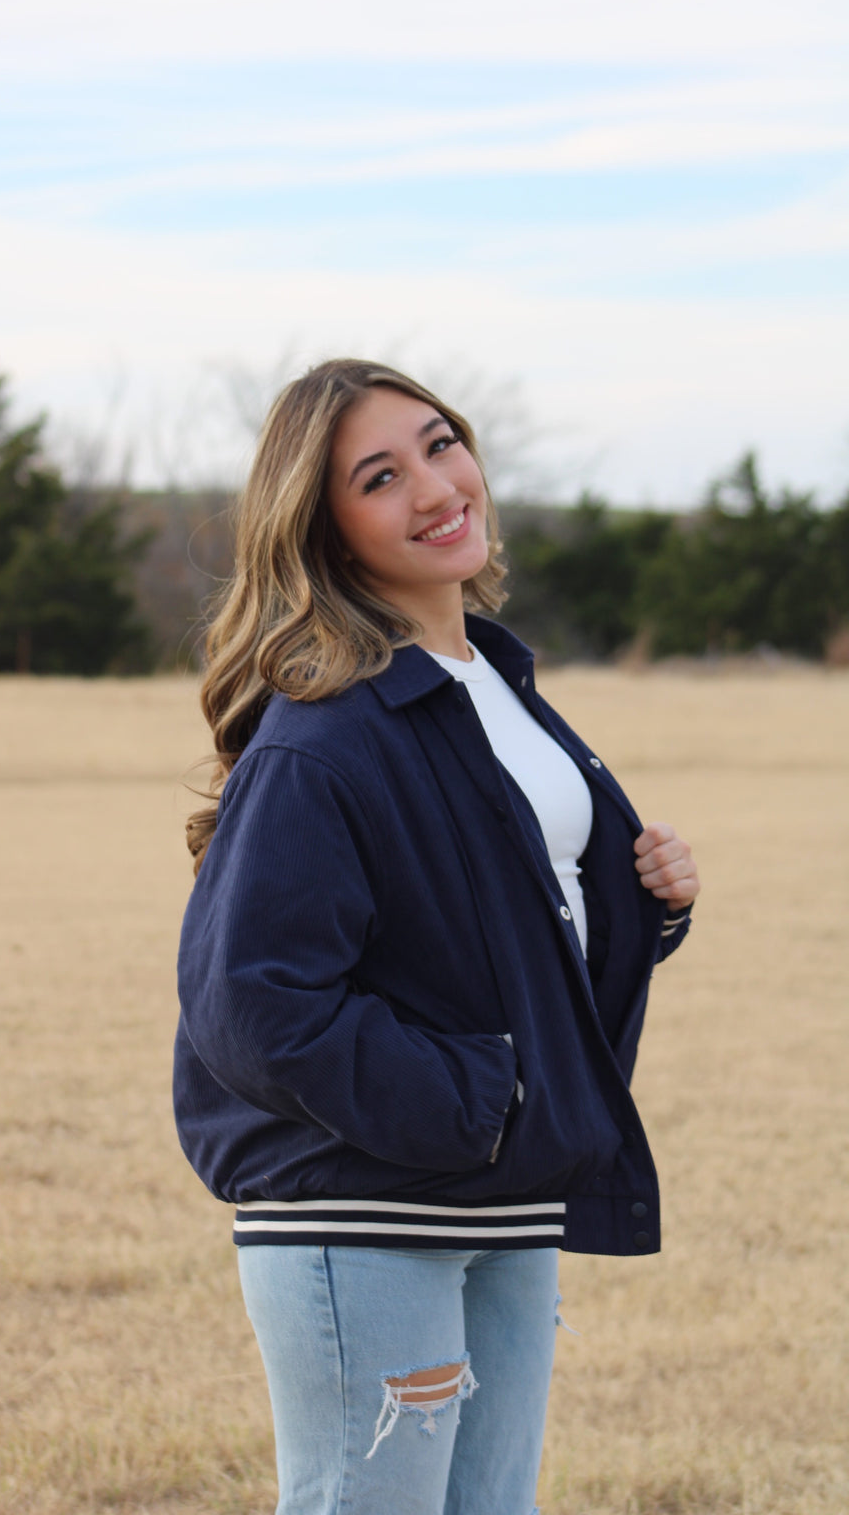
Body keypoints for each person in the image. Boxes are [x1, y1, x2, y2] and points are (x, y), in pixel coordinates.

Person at [173, 359, 699, 1515]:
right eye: (379, 476)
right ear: (328, 534)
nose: (434, 485)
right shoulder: (325, 733)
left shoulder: (487, 684)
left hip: (503, 1195)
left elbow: (495, 932)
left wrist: (644, 906)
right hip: (367, 1206)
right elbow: (250, 1002)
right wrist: (482, 1098)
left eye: (438, 443)